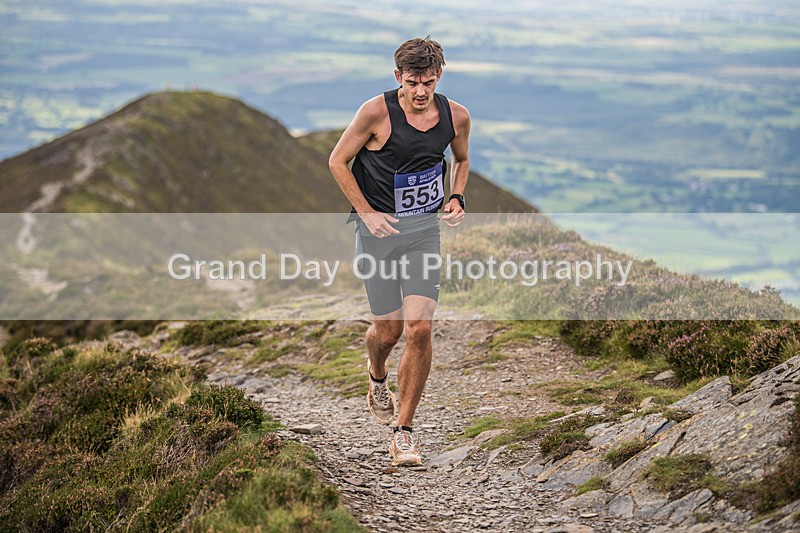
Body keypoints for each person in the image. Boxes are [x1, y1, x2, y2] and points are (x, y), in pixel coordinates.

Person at [329, 37, 471, 466]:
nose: (421, 91)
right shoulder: (375, 113)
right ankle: (376, 376)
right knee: (387, 332)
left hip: (424, 232)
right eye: (412, 82)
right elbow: (337, 161)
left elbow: (461, 161)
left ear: (438, 76)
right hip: (378, 235)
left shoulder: (456, 116)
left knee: (420, 329)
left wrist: (457, 197)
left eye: (428, 81)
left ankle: (403, 433)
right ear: (398, 78)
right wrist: (368, 213)